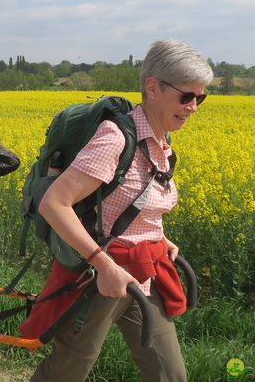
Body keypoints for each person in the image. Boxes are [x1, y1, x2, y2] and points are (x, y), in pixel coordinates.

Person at [29, 40, 213, 382]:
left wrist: (159, 236)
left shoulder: (162, 144)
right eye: (186, 96)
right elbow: (55, 203)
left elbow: (128, 205)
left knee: (170, 374)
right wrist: (103, 265)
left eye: (200, 98)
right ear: (153, 88)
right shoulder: (115, 138)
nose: (194, 107)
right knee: (68, 371)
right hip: (100, 277)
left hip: (146, 273)